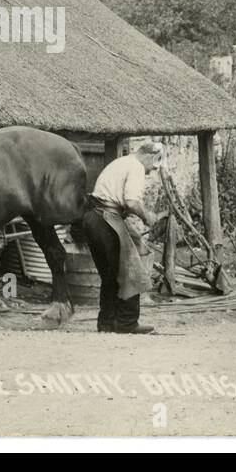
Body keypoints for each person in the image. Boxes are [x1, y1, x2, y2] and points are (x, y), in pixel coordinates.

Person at [80, 141, 164, 334]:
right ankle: (127, 323)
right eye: (153, 166)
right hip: (107, 219)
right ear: (150, 156)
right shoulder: (136, 167)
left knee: (109, 275)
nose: (151, 172)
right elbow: (132, 202)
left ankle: (107, 323)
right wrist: (147, 216)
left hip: (92, 218)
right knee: (129, 270)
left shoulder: (121, 162)